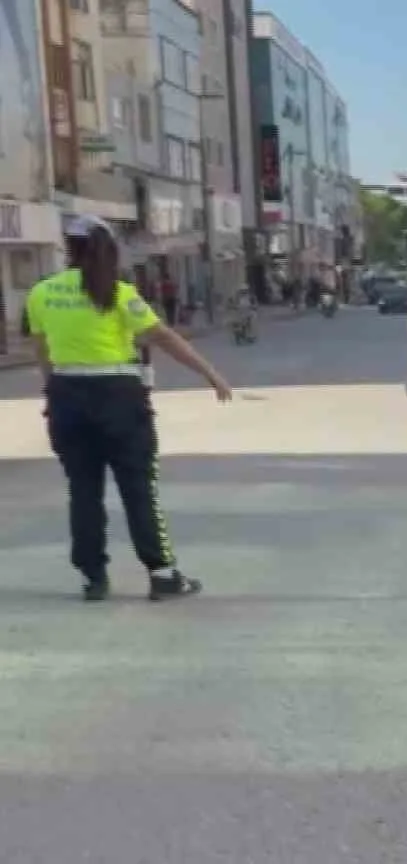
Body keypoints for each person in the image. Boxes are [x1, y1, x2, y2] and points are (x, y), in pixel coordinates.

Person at [25, 216, 230, 602]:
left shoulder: (41, 293)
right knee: (139, 489)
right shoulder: (118, 293)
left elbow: (43, 351)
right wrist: (211, 374)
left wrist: (52, 392)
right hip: (119, 397)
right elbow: (163, 337)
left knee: (83, 491)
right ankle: (163, 575)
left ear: (68, 248)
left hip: (68, 395)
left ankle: (94, 578)